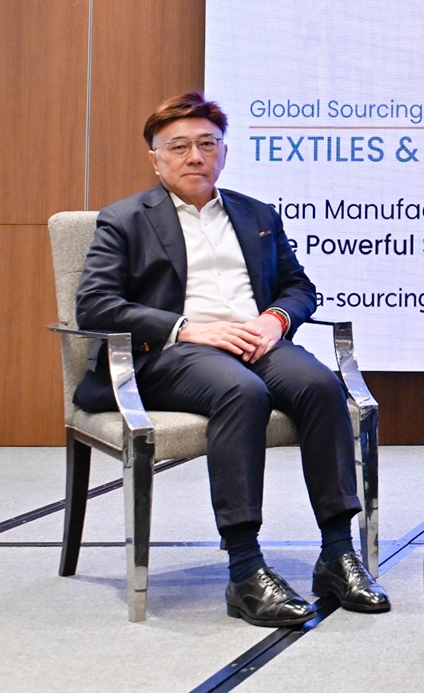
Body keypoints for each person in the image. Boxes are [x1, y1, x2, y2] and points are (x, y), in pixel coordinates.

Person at [75, 93, 388, 627]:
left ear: (224, 151)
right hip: (173, 351)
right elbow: (95, 304)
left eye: (207, 143)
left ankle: (337, 553)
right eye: (179, 146)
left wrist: (275, 320)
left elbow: (298, 286)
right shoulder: (125, 219)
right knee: (242, 392)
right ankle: (245, 569)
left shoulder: (255, 213)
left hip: (256, 340)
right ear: (155, 158)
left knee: (320, 385)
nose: (195, 156)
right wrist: (187, 327)